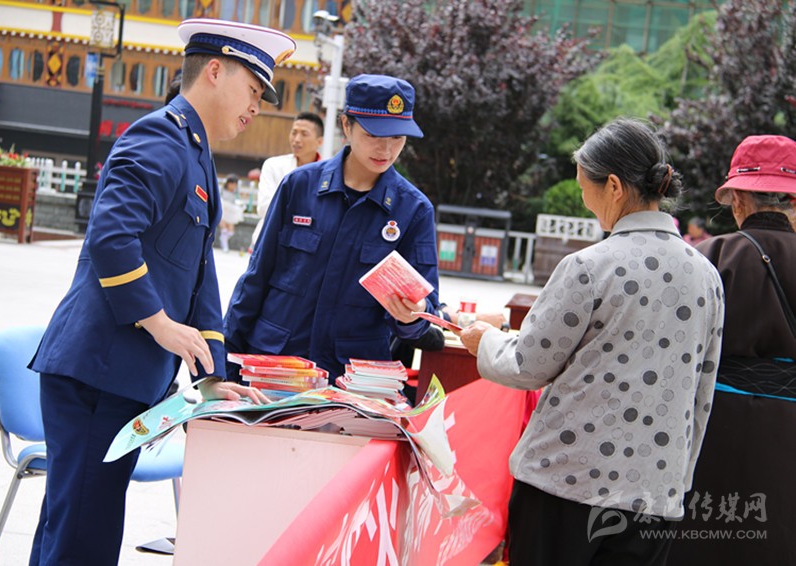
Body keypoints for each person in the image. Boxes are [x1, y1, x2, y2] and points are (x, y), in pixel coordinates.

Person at [27, 18, 293, 565]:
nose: (256, 107)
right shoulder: (160, 138)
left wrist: (212, 376)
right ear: (214, 71)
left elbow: (198, 280)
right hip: (97, 372)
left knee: (79, 528)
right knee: (81, 536)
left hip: (120, 376)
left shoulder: (196, 154)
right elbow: (111, 236)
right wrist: (159, 323)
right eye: (252, 90)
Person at [459, 118, 725, 566]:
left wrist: (485, 340)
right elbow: (702, 393)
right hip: (653, 493)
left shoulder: (589, 266)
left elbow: (528, 363)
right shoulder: (706, 276)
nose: (584, 199)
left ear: (614, 186)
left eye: (585, 187)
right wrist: (677, 483)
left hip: (566, 484)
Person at [224, 74, 439, 381]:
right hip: (276, 365)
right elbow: (256, 279)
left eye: (397, 137)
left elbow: (426, 312)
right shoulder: (298, 186)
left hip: (352, 378)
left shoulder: (413, 211)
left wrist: (411, 316)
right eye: (373, 134)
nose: (386, 149)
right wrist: (224, 364)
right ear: (346, 125)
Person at [667, 135, 796, 565]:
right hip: (788, 437)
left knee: (703, 540)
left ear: (737, 199)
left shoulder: (707, 256)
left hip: (711, 424)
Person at [249, 111, 324, 248]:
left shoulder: (328, 174)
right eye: (294, 132)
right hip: (268, 243)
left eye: (304, 134)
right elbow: (264, 207)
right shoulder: (273, 165)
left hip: (306, 248)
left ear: (319, 141)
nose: (297, 139)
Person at [218, 173, 244, 252]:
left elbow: (236, 201)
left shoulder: (235, 193)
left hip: (231, 212)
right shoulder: (221, 190)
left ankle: (223, 240)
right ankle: (225, 246)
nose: (234, 185)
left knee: (230, 232)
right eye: (232, 183)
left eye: (235, 184)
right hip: (223, 210)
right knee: (224, 230)